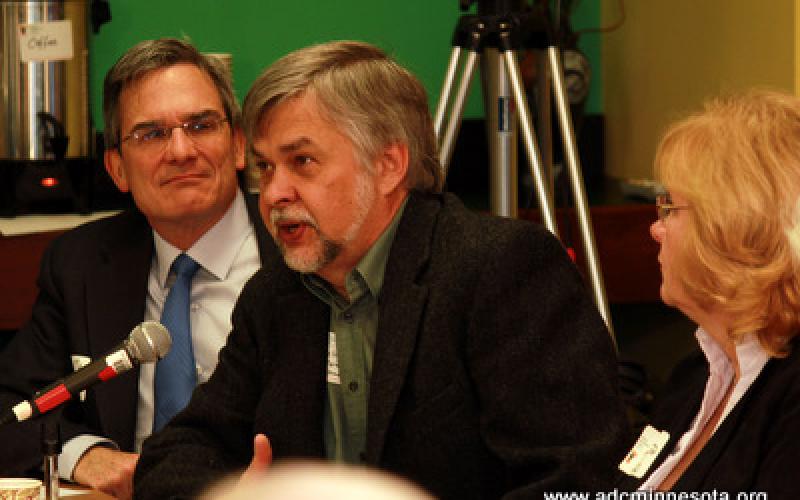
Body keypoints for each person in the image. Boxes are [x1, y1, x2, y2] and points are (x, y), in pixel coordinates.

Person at [135, 40, 628, 499]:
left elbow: (577, 479)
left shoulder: (498, 269)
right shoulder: (276, 296)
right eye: (265, 168)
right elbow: (176, 453)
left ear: (389, 165)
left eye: (302, 161)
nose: (275, 193)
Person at [0, 38, 276, 499]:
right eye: (152, 134)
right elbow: (11, 407)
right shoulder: (81, 264)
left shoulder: (296, 250)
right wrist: (86, 455)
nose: (181, 151)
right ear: (117, 169)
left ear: (239, 146)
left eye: (201, 125)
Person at [616, 90, 800, 497]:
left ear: (737, 230)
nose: (656, 229)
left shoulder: (791, 398)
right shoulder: (697, 373)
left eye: (670, 208)